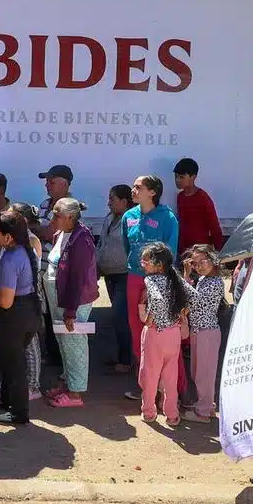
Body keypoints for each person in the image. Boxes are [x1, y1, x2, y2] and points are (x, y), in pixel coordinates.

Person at [123, 174, 180, 399]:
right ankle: (146, 386)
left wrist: (157, 281)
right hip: (134, 277)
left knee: (162, 330)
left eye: (138, 187)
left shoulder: (168, 218)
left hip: (160, 280)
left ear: (152, 192)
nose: (133, 190)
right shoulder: (129, 216)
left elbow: (171, 252)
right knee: (137, 330)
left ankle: (172, 389)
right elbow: (128, 246)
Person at [0, 211, 42, 427]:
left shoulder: (10, 258)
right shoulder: (24, 251)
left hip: (13, 317)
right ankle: (7, 401)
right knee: (11, 362)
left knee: (14, 365)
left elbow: (5, 301)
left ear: (8, 236)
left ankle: (18, 412)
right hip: (28, 312)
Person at [42, 198, 98, 409]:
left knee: (74, 344)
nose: (53, 218)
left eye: (57, 215)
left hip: (73, 302)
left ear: (70, 217)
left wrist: (71, 311)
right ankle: (67, 383)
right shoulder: (63, 233)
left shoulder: (81, 240)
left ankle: (75, 393)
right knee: (64, 342)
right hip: (60, 298)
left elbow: (78, 278)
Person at [137, 242, 190, 428]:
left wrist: (150, 319)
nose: (142, 263)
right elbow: (194, 296)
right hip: (173, 334)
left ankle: (149, 412)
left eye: (146, 261)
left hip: (155, 334)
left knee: (150, 375)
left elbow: (157, 301)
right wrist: (180, 312)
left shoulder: (151, 281)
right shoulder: (174, 278)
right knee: (170, 376)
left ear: (159, 265)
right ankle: (172, 415)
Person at [181, 244, 224, 423]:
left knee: (204, 374)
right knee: (199, 372)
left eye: (202, 261)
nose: (198, 265)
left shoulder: (215, 282)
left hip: (207, 332)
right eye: (194, 262)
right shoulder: (203, 280)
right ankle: (206, 406)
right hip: (199, 331)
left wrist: (186, 276)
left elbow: (194, 301)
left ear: (213, 259)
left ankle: (204, 411)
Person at [97, 184, 133, 374]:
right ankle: (122, 355)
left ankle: (127, 360)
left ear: (124, 201)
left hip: (124, 274)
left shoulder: (132, 220)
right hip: (109, 275)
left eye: (112, 199)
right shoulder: (109, 218)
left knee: (120, 316)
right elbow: (101, 244)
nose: (108, 202)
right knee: (117, 316)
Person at [173, 158, 224, 253]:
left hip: (200, 251)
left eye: (181, 177)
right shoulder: (180, 197)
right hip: (184, 250)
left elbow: (214, 226)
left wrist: (220, 252)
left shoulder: (203, 198)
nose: (177, 180)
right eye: (176, 177)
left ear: (193, 177)